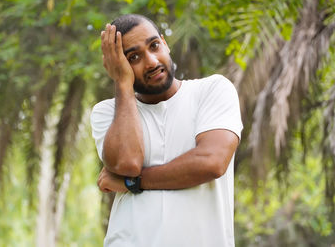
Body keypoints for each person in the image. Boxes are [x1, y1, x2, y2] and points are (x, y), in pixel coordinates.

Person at [90, 14, 243, 247]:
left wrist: (133, 183)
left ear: (165, 43)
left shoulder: (212, 91)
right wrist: (122, 82)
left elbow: (211, 162)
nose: (151, 61)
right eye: (134, 57)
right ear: (118, 66)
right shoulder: (107, 112)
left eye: (154, 46)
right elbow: (127, 162)